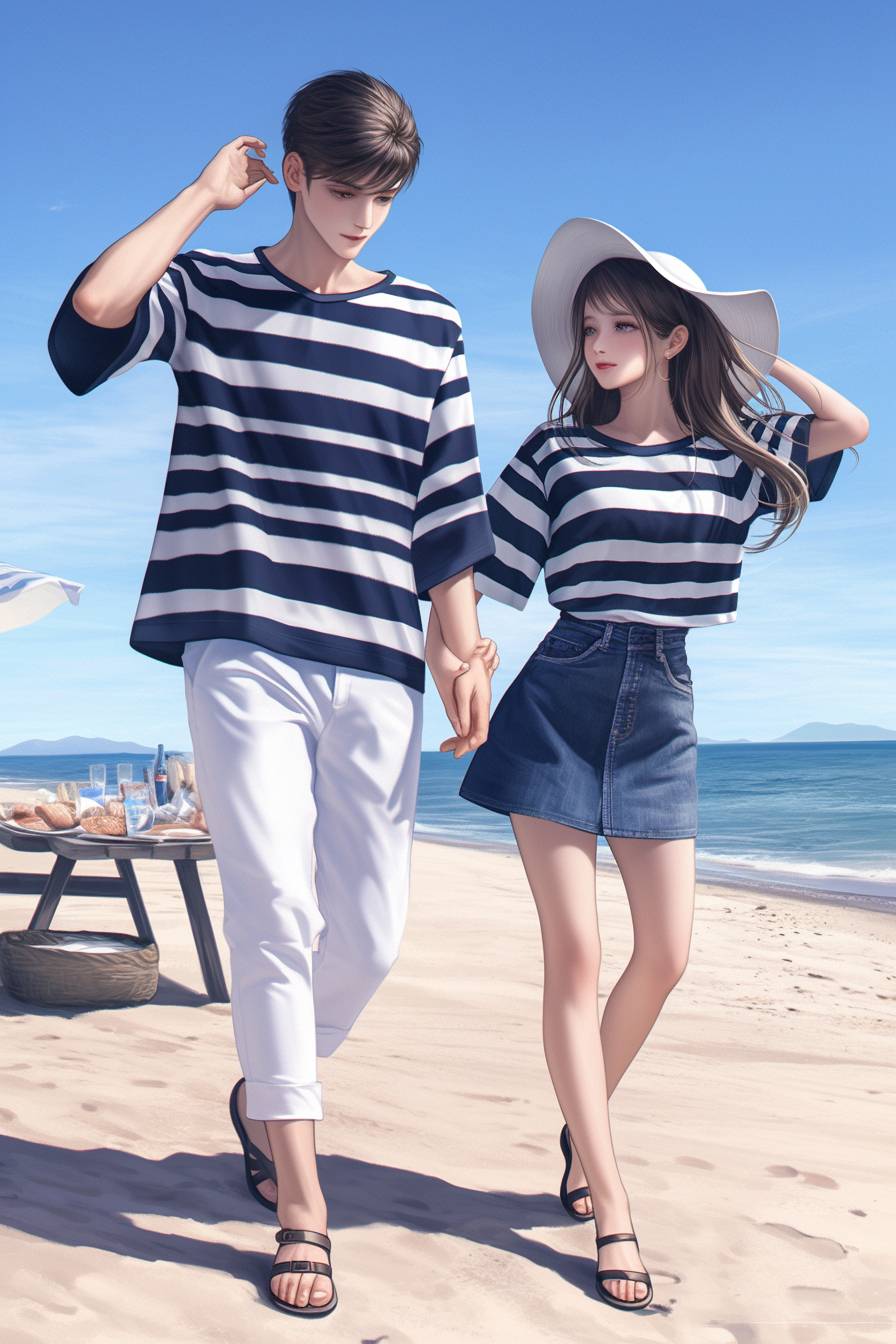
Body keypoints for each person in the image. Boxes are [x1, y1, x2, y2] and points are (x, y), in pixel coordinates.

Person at [48, 70, 498, 1318]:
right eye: (342, 187)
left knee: (371, 931)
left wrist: (458, 649)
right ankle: (302, 1204)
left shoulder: (428, 324)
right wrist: (200, 196)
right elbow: (86, 325)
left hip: (374, 654)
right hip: (240, 640)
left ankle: (261, 1097)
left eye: (384, 196)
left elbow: (445, 508)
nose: (361, 215)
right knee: (273, 908)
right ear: (292, 171)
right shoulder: (211, 293)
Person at [428, 218, 868, 1311]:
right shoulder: (554, 452)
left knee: (664, 954)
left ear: (675, 338)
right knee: (574, 956)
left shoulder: (734, 453)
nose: (600, 341)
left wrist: (748, 350)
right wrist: (466, 666)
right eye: (589, 326)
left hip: (663, 703)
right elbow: (486, 582)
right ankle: (610, 1198)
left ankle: (580, 1131)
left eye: (624, 323)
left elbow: (846, 423)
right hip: (559, 694)